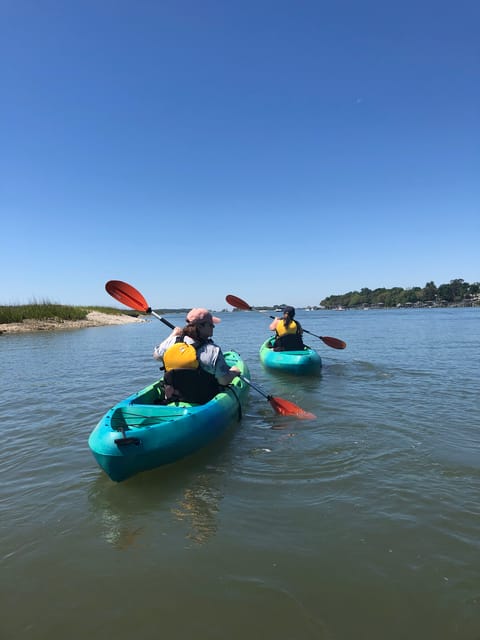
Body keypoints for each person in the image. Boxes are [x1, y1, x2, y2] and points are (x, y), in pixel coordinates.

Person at [153, 308, 241, 404]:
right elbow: (223, 381)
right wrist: (234, 372)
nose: (213, 327)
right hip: (203, 402)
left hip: (174, 400)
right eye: (211, 324)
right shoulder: (213, 350)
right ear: (200, 326)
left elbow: (156, 356)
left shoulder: (172, 342)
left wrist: (173, 335)